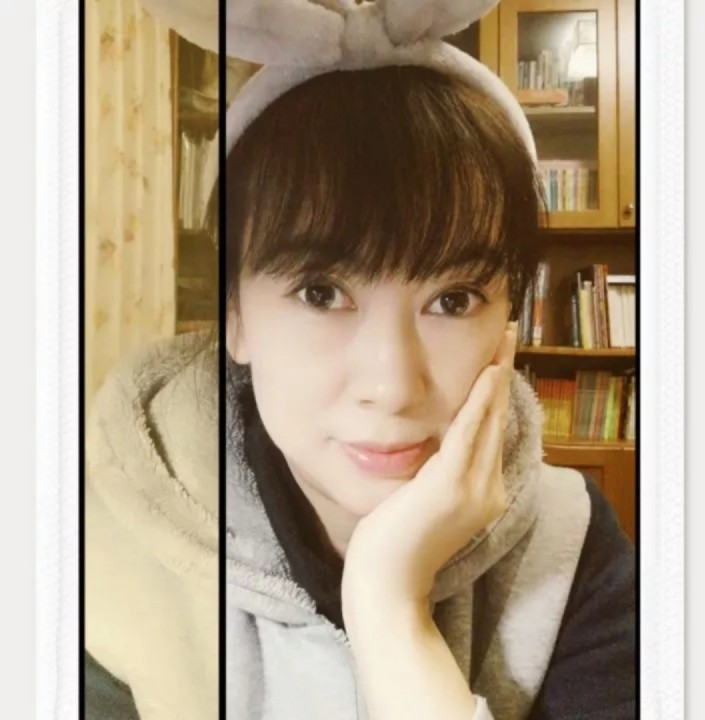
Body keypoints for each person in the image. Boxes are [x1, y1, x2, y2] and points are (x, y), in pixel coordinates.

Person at [86, 0, 636, 718]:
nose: (392, 385)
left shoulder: (573, 547)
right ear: (235, 315)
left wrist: (391, 610)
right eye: (321, 293)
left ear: (509, 320)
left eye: (455, 299)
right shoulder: (103, 556)